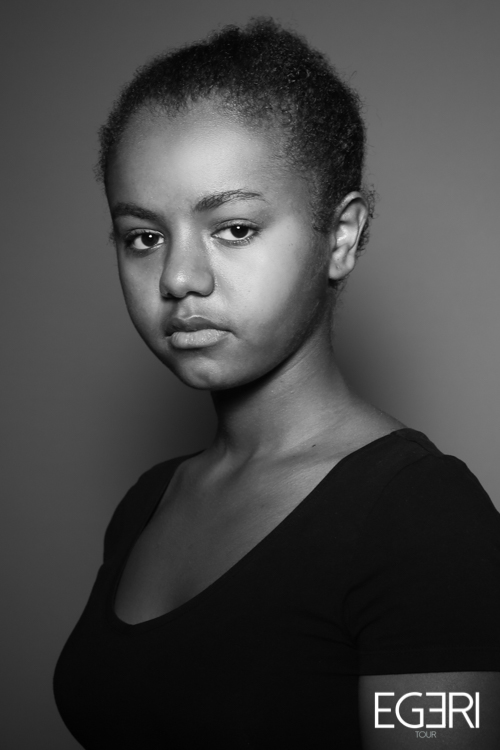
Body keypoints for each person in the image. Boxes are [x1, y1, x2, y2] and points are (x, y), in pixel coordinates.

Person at [53, 18, 500, 749]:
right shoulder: (147, 503)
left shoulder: (424, 519)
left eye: (233, 228)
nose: (178, 278)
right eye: (144, 237)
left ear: (341, 237)